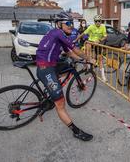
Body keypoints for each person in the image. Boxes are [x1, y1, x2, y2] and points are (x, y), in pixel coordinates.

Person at [36, 12, 95, 141]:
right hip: (46, 69)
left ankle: (52, 89)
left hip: (49, 64)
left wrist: (82, 60)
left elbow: (69, 53)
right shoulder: (58, 33)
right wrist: (89, 58)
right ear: (59, 24)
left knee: (67, 67)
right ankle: (76, 131)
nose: (71, 26)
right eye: (67, 23)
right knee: (60, 105)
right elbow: (76, 50)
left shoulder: (56, 34)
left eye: (72, 23)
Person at [76, 14, 108, 81]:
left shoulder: (103, 27)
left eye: (99, 21)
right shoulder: (91, 27)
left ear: (101, 21)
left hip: (98, 43)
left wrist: (99, 40)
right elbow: (83, 34)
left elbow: (105, 36)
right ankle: (89, 67)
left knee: (100, 59)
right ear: (94, 21)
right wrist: (76, 40)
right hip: (90, 42)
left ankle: (103, 76)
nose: (97, 22)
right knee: (88, 54)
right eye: (96, 21)